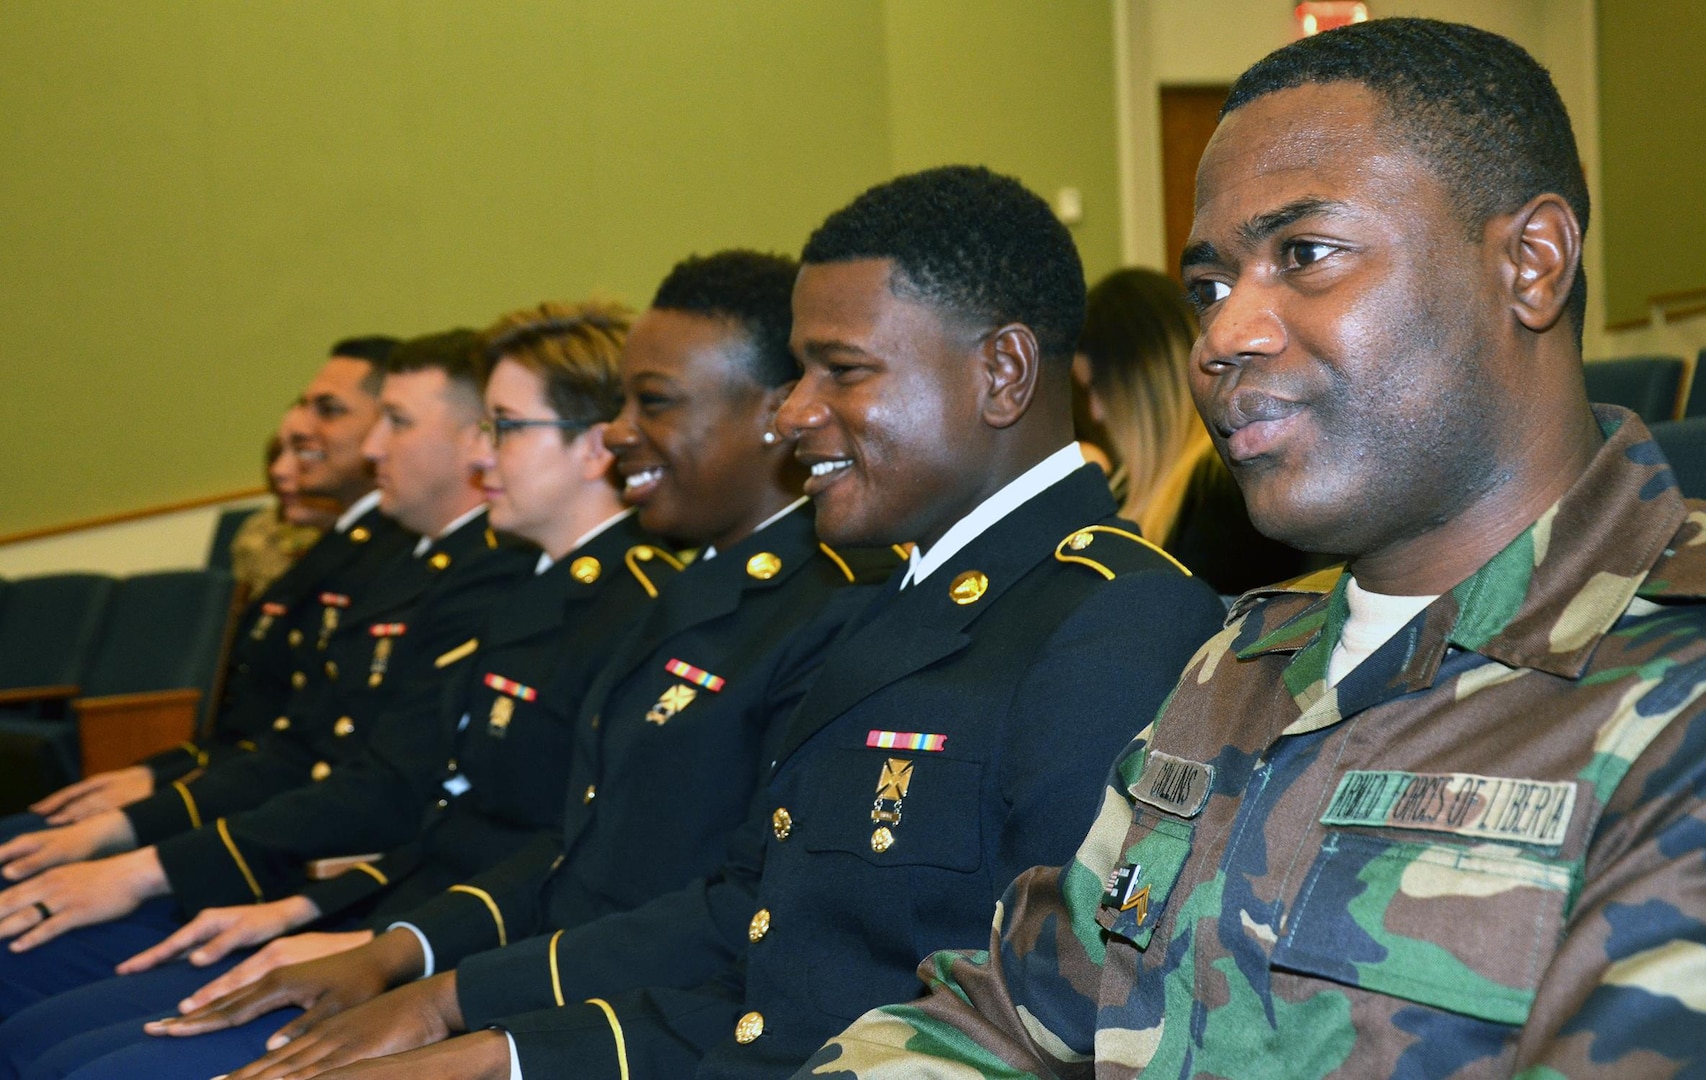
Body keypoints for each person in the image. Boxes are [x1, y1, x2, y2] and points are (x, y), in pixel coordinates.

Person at [159, 167, 1227, 1080]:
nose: (794, 410)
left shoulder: (1113, 627)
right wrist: (467, 1018)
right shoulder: (896, 597)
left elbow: (1031, 1032)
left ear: (999, 373)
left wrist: (501, 1043)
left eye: (840, 371)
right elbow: (752, 924)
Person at [797, 18, 1706, 1078]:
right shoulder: (1238, 662)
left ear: (1530, 263)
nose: (1223, 336)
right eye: (1208, 288)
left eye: (1304, 256)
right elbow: (1002, 1016)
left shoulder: (1668, 689)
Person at [17, 251, 895, 1079]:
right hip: (516, 971)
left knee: (84, 1059)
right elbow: (571, 848)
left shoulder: (826, 606)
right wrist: (394, 952)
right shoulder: (689, 587)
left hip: (601, 1021)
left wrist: (451, 1002)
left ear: (773, 410)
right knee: (52, 1043)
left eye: (652, 403)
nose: (617, 434)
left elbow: (733, 912)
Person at [0, 300, 675, 1077]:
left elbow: (566, 856)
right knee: (45, 1044)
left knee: (85, 1064)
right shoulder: (531, 590)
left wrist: (390, 947)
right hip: (400, 919)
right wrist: (309, 910)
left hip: (484, 965)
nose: (479, 457)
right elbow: (446, 818)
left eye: (503, 427)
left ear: (595, 449)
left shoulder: (640, 607)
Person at [2, 339, 411, 842]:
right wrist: (156, 774)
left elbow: (312, 754)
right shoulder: (344, 549)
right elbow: (253, 728)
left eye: (327, 410)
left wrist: (141, 827)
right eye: (303, 407)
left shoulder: (397, 557)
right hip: (250, 793)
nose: (299, 429)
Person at [1075, 266, 1314, 593]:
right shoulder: (1137, 487)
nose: (1095, 413)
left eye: (1096, 387)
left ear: (1142, 381)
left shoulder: (1222, 494)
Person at [226, 427, 337, 605]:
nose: (278, 471)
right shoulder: (256, 527)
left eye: (299, 457)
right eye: (275, 458)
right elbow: (238, 604)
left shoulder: (341, 524)